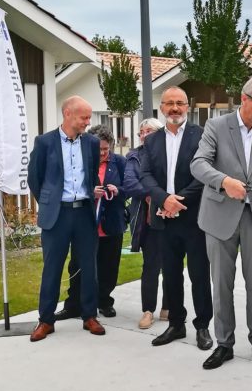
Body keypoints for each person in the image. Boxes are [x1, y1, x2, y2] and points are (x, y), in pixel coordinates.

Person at [191, 74, 252, 370]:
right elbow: (198, 164)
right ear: (244, 99)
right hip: (219, 216)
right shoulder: (216, 126)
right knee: (221, 285)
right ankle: (224, 344)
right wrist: (224, 182)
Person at [141, 86, 214, 351]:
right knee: (170, 274)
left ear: (188, 106)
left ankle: (203, 325)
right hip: (163, 217)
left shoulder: (202, 136)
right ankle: (176, 323)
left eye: (180, 103)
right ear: (161, 108)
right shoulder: (151, 141)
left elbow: (205, 174)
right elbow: (145, 175)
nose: (175, 108)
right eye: (169, 103)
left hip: (193, 217)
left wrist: (177, 200)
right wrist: (164, 199)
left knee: (199, 274)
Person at [27, 96, 105, 341]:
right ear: (68, 114)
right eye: (84, 117)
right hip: (57, 215)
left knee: (89, 267)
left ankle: (89, 316)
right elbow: (35, 178)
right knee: (52, 268)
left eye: (88, 117)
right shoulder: (45, 142)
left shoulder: (91, 143)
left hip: (83, 213)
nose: (87, 122)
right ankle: (46, 320)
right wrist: (49, 202)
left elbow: (91, 175)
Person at [55, 125, 128, 319]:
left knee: (109, 266)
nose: (103, 153)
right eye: (99, 149)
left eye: (106, 148)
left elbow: (132, 187)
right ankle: (73, 305)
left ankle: (104, 301)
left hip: (111, 224)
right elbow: (69, 187)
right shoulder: (81, 162)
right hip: (85, 224)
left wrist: (118, 190)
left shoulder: (120, 162)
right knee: (78, 266)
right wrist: (89, 193)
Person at [124, 118, 169, 329]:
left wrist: (160, 195)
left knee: (172, 264)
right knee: (151, 266)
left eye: (148, 131)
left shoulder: (169, 153)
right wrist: (157, 194)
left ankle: (169, 307)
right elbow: (130, 183)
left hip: (171, 217)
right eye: (141, 132)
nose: (143, 135)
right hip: (147, 220)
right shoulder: (134, 156)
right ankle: (148, 310)